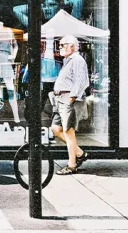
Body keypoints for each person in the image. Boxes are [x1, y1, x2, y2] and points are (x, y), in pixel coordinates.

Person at [51, 35, 90, 175]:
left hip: (68, 99)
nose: (60, 48)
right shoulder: (68, 60)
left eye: (62, 45)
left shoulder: (77, 60)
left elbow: (81, 81)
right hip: (61, 98)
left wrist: (72, 98)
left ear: (72, 46)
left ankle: (72, 164)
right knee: (56, 128)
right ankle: (79, 153)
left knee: (69, 132)